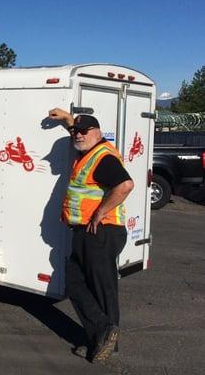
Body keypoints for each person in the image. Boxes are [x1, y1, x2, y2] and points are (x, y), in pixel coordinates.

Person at [48, 108, 134, 362]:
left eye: (84, 131)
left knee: (102, 289)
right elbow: (78, 133)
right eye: (75, 131)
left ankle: (104, 338)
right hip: (89, 233)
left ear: (97, 133)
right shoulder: (90, 150)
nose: (78, 135)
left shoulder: (102, 158)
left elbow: (125, 185)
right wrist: (67, 121)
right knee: (76, 281)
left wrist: (99, 213)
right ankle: (102, 336)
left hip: (100, 231)